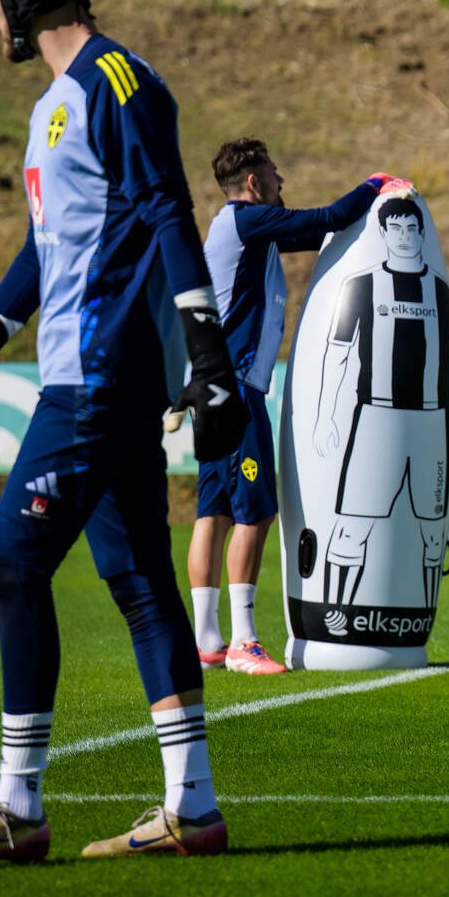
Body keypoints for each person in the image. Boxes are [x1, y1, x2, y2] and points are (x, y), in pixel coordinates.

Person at [0, 0, 247, 862]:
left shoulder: (118, 83)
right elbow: (50, 246)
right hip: (86, 374)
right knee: (137, 581)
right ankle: (191, 806)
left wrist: (208, 354)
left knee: (11, 564)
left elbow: (171, 213)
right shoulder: (56, 103)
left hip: (97, 380)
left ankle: (18, 807)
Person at [184, 138, 401, 675]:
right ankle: (244, 641)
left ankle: (206, 639)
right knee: (254, 512)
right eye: (275, 175)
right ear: (254, 183)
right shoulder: (249, 222)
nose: (282, 184)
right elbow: (325, 217)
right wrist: (377, 185)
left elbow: (312, 231)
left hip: (209, 389)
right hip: (235, 390)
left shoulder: (232, 228)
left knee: (211, 511)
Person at [315, 194, 449, 608]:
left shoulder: (439, 292)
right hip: (375, 417)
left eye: (411, 228)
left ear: (421, 233)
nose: (403, 236)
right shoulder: (362, 286)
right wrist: (327, 416)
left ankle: (418, 615)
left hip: (431, 422)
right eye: (394, 228)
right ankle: (338, 612)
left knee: (432, 531)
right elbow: (337, 353)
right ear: (382, 233)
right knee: (354, 523)